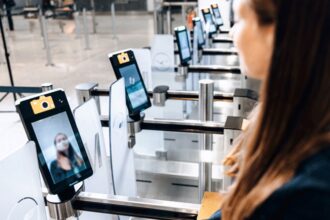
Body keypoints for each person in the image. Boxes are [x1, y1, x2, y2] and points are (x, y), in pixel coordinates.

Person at [209, 0, 330, 219]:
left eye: (239, 20)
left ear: (274, 32)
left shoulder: (311, 197)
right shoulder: (293, 123)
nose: (231, 32)